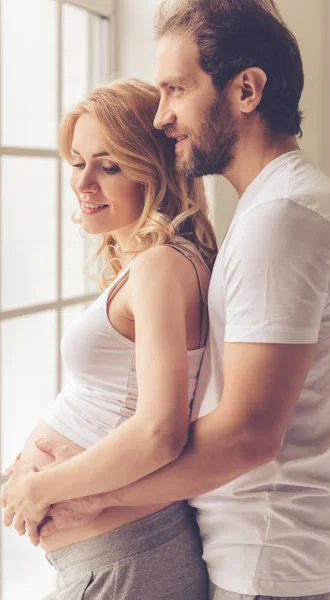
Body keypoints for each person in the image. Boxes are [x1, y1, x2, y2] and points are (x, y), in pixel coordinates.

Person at [4, 1, 330, 599]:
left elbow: (245, 435)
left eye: (176, 90)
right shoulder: (266, 213)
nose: (163, 117)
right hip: (269, 557)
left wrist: (68, 490)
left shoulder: (279, 219)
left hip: (276, 566)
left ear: (247, 91)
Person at [2, 78, 216, 599]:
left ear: (154, 170)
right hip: (111, 559)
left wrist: (40, 486)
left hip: (126, 559)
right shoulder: (150, 264)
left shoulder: (163, 265)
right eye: (78, 162)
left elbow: (160, 431)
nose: (84, 183)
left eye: (110, 165)